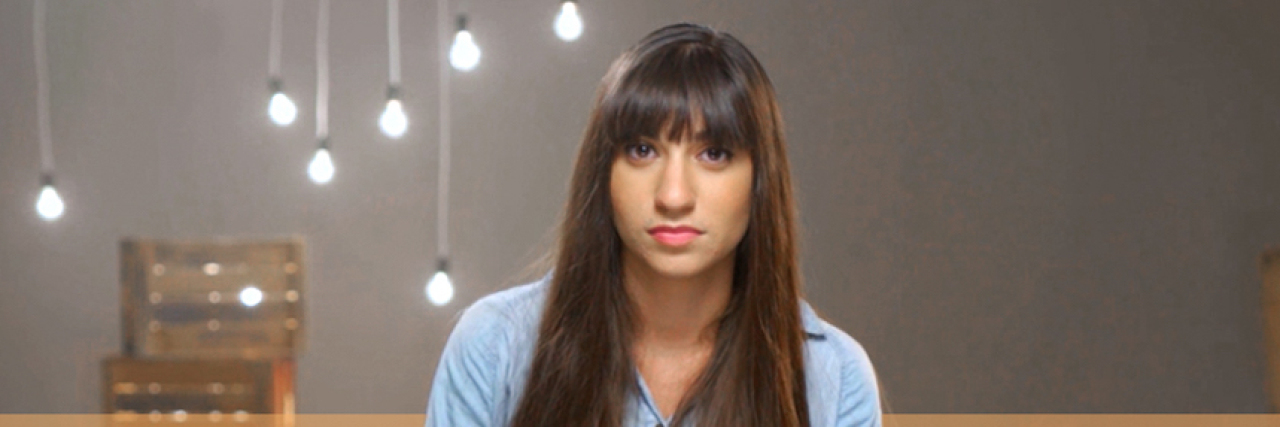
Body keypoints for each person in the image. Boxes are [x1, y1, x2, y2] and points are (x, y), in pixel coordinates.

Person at [425, 23, 881, 427]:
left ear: (760, 178)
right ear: (604, 170)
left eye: (714, 153)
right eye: (642, 151)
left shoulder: (833, 374)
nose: (673, 196)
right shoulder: (494, 346)